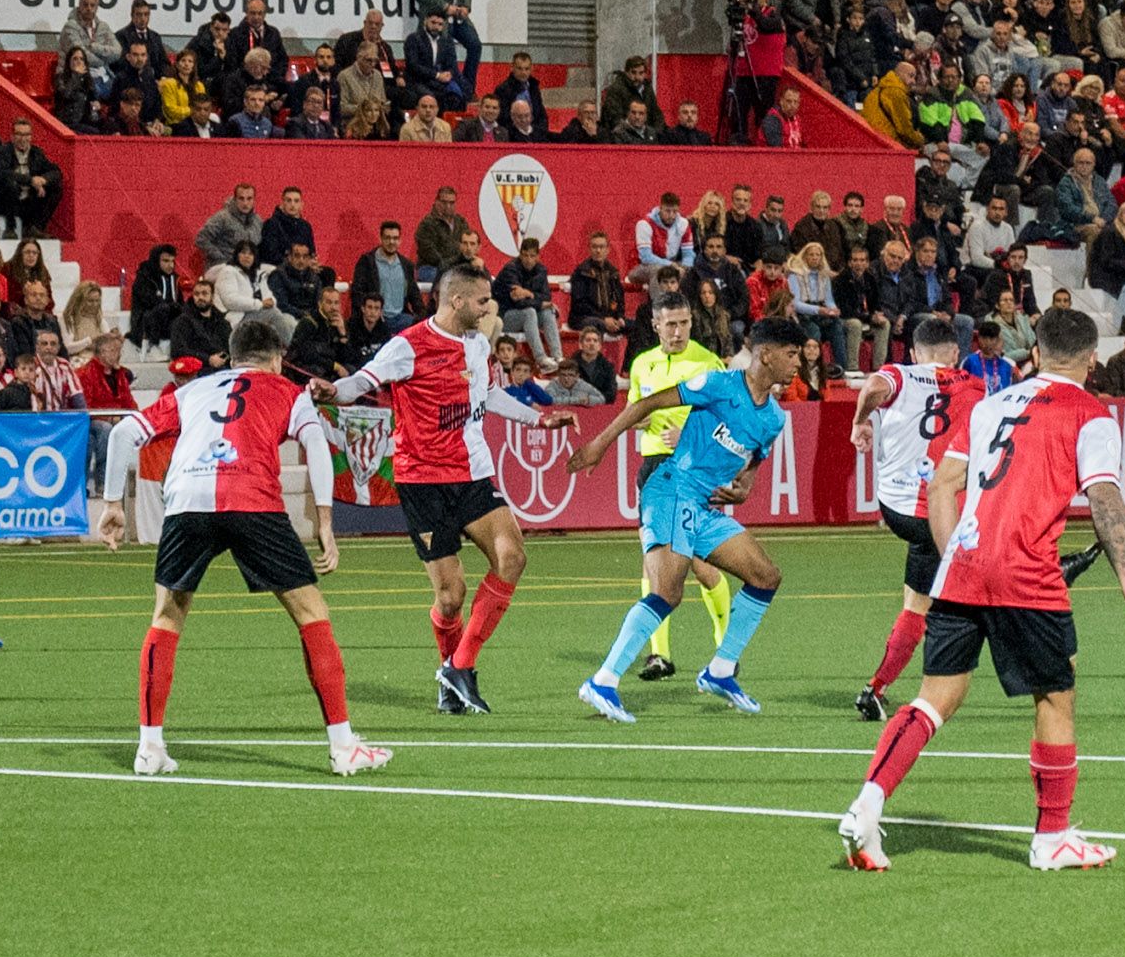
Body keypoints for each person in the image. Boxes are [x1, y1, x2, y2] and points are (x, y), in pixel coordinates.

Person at [837, 302, 1125, 874]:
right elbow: (1105, 497)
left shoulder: (989, 404)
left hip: (960, 565)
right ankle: (1052, 836)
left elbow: (941, 486)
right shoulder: (1091, 414)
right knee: (1056, 694)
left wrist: (952, 551)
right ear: (1091, 359)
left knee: (934, 698)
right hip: (1027, 574)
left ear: (1034, 352)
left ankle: (866, 805)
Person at [92, 307, 387, 779]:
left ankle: (149, 748)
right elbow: (314, 445)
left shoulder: (191, 390)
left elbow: (126, 431)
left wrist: (112, 504)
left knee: (166, 617)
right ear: (275, 360)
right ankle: (343, 745)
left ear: (231, 359)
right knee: (311, 614)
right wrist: (325, 520)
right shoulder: (289, 392)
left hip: (188, 500)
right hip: (252, 499)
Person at [563, 317, 807, 721]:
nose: (799, 362)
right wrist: (600, 444)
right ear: (766, 354)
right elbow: (647, 403)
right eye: (792, 353)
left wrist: (745, 486)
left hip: (704, 508)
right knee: (667, 592)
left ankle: (721, 671)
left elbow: (755, 460)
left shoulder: (774, 418)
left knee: (766, 576)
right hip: (672, 489)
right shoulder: (719, 384)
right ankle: (603, 681)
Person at [332, 265, 529, 716]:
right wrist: (334, 390)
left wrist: (539, 419)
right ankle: (450, 674)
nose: (488, 309)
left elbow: (490, 397)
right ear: (456, 300)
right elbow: (363, 381)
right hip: (423, 482)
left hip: (473, 474)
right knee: (451, 595)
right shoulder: (408, 345)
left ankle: (461, 666)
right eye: (482, 301)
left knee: (513, 557)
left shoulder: (479, 346)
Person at [850, 312, 982, 719]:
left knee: (919, 598)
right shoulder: (976, 385)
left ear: (913, 352)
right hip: (941, 513)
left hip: (896, 508)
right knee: (972, 593)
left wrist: (860, 423)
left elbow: (874, 385)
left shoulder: (901, 374)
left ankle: (878, 689)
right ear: (956, 353)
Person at [618, 281, 733, 680]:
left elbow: (726, 421)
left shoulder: (708, 363)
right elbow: (636, 413)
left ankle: (725, 647)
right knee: (655, 562)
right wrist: (644, 419)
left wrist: (686, 437)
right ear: (655, 324)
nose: (678, 331)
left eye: (684, 323)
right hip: (653, 468)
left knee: (700, 563)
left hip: (694, 470)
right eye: (670, 324)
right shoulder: (642, 364)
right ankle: (659, 655)